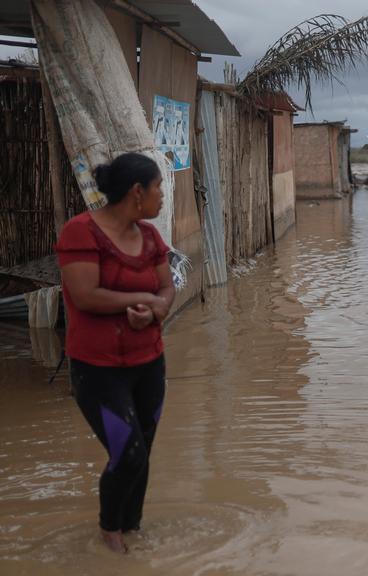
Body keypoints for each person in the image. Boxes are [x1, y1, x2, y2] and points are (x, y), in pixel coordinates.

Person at [56, 152, 174, 554]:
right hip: (99, 370)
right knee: (128, 453)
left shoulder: (152, 237)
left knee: (144, 451)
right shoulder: (80, 232)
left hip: (149, 363)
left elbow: (167, 289)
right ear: (137, 192)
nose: (162, 196)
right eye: (159, 188)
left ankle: (133, 528)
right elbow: (85, 295)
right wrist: (145, 298)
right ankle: (109, 533)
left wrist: (157, 307)